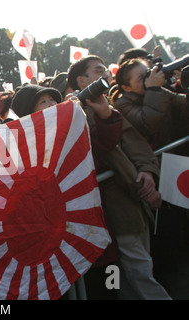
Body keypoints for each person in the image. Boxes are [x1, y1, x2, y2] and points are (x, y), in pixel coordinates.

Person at [68, 55, 171, 300]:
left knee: (131, 274)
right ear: (82, 81)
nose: (105, 73)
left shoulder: (109, 108)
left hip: (134, 201)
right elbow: (100, 150)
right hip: (115, 209)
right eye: (98, 70)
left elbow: (138, 148)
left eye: (105, 68)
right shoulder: (76, 115)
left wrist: (147, 171)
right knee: (138, 272)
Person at [110, 58, 189, 153]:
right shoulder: (122, 105)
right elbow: (148, 124)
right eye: (141, 78)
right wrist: (153, 89)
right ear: (126, 88)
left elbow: (184, 105)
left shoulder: (157, 90)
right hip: (160, 157)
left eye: (148, 73)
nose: (148, 79)